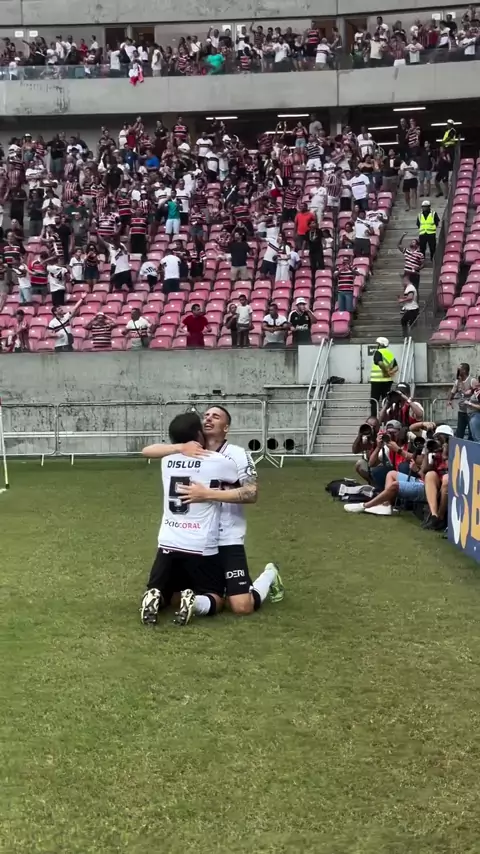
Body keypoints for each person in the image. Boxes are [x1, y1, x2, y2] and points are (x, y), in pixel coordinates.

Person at [141, 405, 283, 619]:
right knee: (176, 597)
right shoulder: (188, 450)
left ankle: (270, 574)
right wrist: (181, 447)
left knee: (241, 607)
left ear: (226, 428)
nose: (208, 419)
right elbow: (148, 451)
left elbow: (251, 493)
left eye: (216, 416)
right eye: (206, 416)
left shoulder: (237, 454)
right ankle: (210, 595)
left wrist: (208, 494)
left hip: (227, 535)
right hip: (197, 538)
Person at [139, 412, 240, 626]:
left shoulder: (167, 460)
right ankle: (196, 603)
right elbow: (239, 483)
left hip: (168, 542)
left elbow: (147, 451)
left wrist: (179, 447)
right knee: (215, 597)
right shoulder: (217, 461)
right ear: (198, 434)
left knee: (166, 592)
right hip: (200, 544)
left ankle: (154, 596)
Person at [345, 425, 452, 528]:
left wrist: (444, 455)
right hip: (425, 482)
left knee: (396, 485)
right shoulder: (432, 449)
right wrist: (428, 452)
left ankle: (365, 506)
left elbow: (445, 472)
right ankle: (386, 505)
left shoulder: (453, 452)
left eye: (443, 438)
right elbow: (423, 471)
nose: (440, 441)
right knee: (391, 474)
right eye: (438, 438)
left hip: (432, 485)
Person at [370, 337, 398, 417]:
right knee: (386, 400)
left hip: (377, 381)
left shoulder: (378, 352)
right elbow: (396, 367)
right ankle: (385, 418)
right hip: (388, 381)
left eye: (377, 343)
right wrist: (390, 372)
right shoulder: (390, 353)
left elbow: (380, 363)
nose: (376, 345)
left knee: (374, 400)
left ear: (380, 344)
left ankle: (374, 418)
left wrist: (386, 371)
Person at [448, 362, 473, 439]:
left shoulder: (472, 380)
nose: (458, 370)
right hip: (462, 411)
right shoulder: (457, 382)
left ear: (464, 370)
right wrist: (449, 400)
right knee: (459, 432)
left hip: (471, 411)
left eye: (459, 369)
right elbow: (453, 392)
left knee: (471, 432)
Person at [352, 416, 380, 483]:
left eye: (373, 426)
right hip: (371, 465)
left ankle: (378, 483)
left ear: (378, 427)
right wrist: (359, 436)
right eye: (369, 425)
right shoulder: (365, 438)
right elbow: (355, 451)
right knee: (359, 464)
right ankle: (372, 482)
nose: (371, 428)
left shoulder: (380, 437)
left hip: (380, 466)